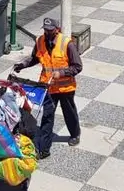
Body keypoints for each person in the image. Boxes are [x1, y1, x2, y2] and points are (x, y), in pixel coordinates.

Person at [13, 17, 82, 157]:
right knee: (47, 116)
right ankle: (44, 150)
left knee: (69, 112)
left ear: (57, 30)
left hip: (65, 88)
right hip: (48, 86)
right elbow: (35, 58)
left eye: (50, 30)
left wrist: (62, 73)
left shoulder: (67, 44)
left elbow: (77, 66)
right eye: (45, 29)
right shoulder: (39, 41)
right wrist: (23, 65)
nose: (47, 32)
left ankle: (75, 134)